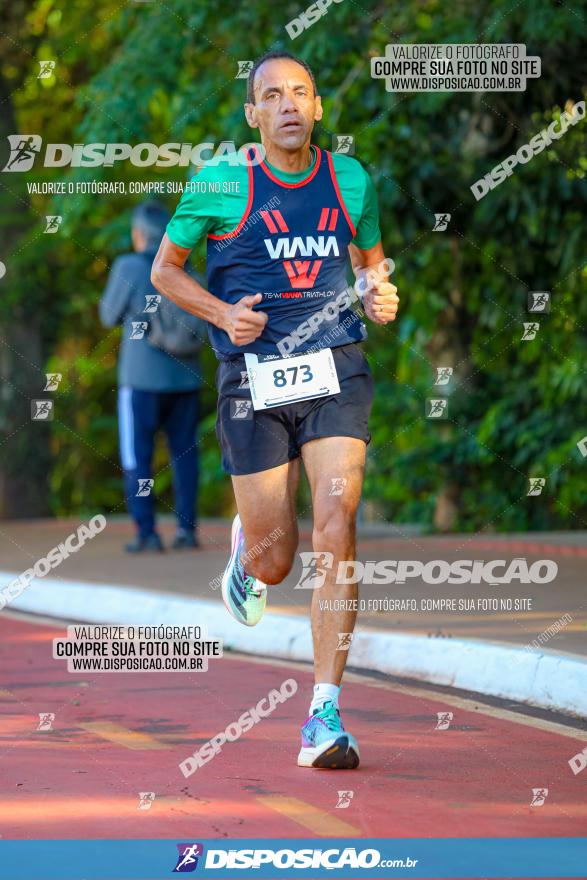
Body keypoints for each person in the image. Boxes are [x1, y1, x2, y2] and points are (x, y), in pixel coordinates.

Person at [151, 52, 399, 768]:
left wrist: (380, 294)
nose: (288, 104)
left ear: (317, 107)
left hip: (335, 371)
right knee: (275, 562)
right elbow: (166, 269)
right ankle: (246, 553)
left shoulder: (350, 179)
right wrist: (223, 313)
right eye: (271, 95)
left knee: (337, 520)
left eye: (300, 92)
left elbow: (369, 264)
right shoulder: (221, 182)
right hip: (252, 380)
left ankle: (323, 714)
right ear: (252, 114)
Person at [100, 200, 204, 553]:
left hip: (140, 380)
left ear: (138, 234)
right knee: (185, 456)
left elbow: (107, 316)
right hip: (186, 381)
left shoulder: (129, 266)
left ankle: (146, 533)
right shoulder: (189, 272)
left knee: (137, 457)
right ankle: (187, 531)